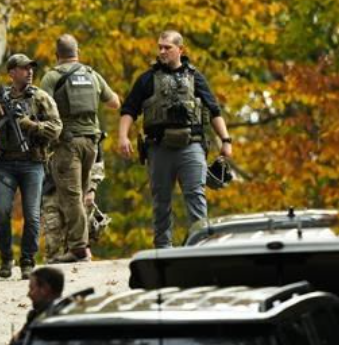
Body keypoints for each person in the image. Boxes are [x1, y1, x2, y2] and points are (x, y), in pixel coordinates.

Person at [117, 31, 234, 248]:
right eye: (159, 47)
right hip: (158, 148)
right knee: (161, 200)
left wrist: (226, 140)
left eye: (167, 47)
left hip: (191, 147)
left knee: (195, 196)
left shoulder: (196, 77)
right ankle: (163, 249)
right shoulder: (146, 79)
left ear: (181, 49)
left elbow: (214, 110)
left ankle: (201, 247)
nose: (162, 51)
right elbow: (129, 109)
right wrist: (123, 136)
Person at [0, 54, 62, 280]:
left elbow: (57, 129)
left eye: (31, 68)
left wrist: (32, 126)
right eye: (24, 68)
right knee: (2, 211)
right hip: (4, 164)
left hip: (33, 163)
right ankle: (6, 258)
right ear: (12, 73)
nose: (29, 72)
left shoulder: (40, 98)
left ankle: (28, 260)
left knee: (32, 215)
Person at [40, 35, 120, 263]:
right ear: (78, 52)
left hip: (68, 144)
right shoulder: (92, 75)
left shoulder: (52, 77)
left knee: (71, 196)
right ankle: (81, 246)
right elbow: (114, 102)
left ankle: (78, 248)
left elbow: (38, 105)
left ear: (57, 55)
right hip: (91, 143)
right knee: (81, 193)